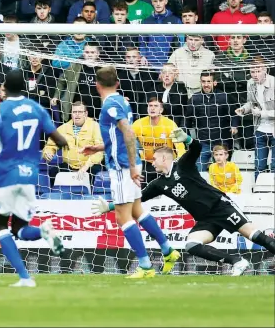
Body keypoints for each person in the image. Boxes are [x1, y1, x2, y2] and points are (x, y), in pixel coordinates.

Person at [92, 129, 275, 276]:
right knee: (192, 245)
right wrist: (108, 206)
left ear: (164, 158)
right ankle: (237, 261)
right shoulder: (159, 184)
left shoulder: (183, 165)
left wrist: (187, 138)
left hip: (221, 207)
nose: (152, 163)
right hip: (206, 219)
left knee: (257, 236)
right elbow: (135, 201)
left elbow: (196, 148)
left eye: (154, 159)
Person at [0, 69, 68, 287]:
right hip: (29, 176)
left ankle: (25, 277)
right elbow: (59, 139)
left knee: (3, 227)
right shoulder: (37, 108)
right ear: (24, 87)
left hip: (5, 175)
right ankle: (44, 230)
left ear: (5, 88)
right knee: (20, 229)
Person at [80, 66, 180, 278]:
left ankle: (145, 267)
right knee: (137, 210)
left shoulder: (110, 104)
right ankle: (168, 251)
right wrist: (98, 148)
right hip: (129, 161)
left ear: (97, 85)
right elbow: (118, 135)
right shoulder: (122, 100)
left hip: (123, 165)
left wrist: (133, 166)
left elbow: (127, 130)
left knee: (122, 216)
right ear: (117, 83)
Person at [132, 97, 186, 186]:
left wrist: (179, 163)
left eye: (156, 106)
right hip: (149, 163)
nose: (152, 108)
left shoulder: (170, 124)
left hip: (167, 163)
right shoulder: (138, 124)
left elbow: (180, 147)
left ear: (161, 110)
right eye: (150, 106)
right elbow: (127, 141)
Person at [236, 57, 274, 179]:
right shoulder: (250, 83)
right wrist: (243, 109)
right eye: (252, 71)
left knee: (274, 166)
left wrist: (262, 114)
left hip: (273, 129)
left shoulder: (274, 83)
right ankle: (257, 192)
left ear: (265, 70)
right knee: (259, 166)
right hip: (259, 129)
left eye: (258, 71)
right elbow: (250, 103)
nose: (255, 74)